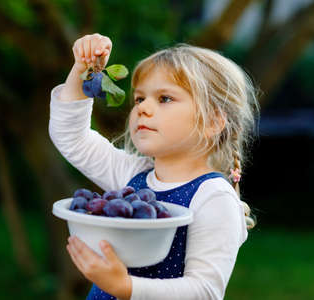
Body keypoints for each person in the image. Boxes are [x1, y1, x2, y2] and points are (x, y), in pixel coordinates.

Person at [48, 33, 260, 300]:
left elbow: (205, 291)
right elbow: (72, 138)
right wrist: (83, 70)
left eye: (164, 99)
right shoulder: (134, 175)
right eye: (139, 99)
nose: (143, 108)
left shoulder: (214, 197)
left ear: (213, 122)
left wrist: (125, 287)